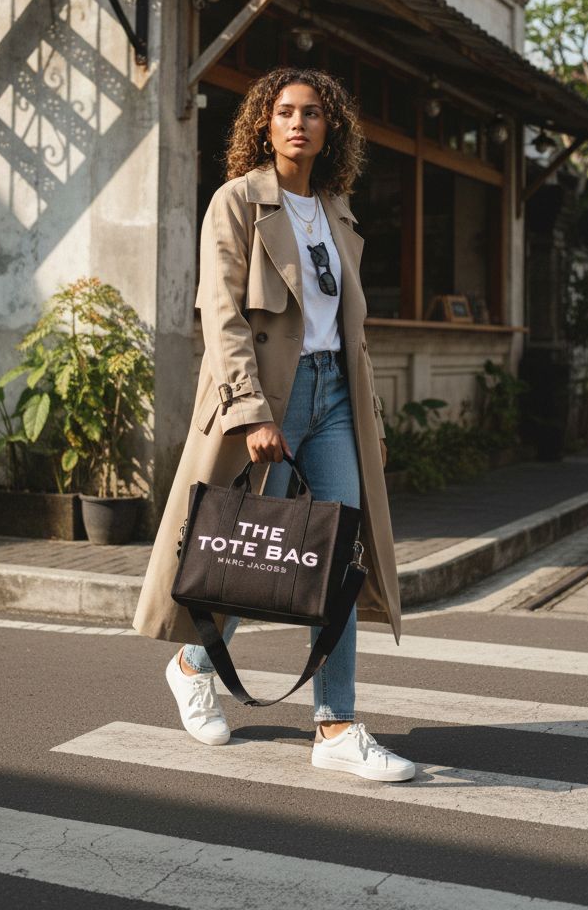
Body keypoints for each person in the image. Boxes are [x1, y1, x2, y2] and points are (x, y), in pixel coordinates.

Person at [133, 67, 414, 783]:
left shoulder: (338, 211)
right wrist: (251, 409)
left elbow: (353, 332)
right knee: (246, 550)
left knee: (339, 557)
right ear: (265, 123)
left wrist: (372, 418)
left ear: (330, 128)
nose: (298, 123)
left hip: (335, 396)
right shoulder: (237, 201)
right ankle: (194, 664)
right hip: (269, 394)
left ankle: (336, 725)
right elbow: (222, 314)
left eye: (312, 113)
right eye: (285, 111)